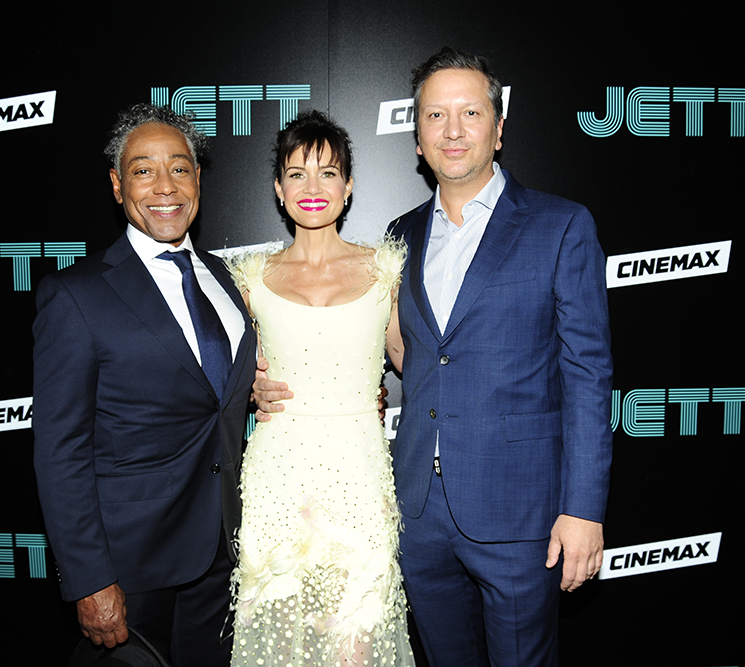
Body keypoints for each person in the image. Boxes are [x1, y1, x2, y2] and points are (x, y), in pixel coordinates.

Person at [255, 47, 613, 666]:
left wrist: (583, 511)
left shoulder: (561, 226)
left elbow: (588, 377)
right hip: (416, 513)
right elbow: (381, 352)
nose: (452, 130)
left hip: (520, 516)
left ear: (498, 129)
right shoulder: (399, 238)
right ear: (416, 137)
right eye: (435, 116)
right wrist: (267, 387)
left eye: (470, 113)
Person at [32, 103, 256, 667]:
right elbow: (60, 452)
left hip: (225, 555)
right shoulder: (75, 296)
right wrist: (89, 580)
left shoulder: (228, 280)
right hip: (131, 571)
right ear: (116, 184)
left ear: (198, 179)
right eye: (142, 170)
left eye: (179, 168)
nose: (165, 186)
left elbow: (217, 397)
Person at [225, 110, 415, 666]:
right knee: (278, 637)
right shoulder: (250, 277)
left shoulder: (386, 269)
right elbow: (228, 378)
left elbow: (415, 364)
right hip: (277, 475)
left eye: (328, 173)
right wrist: (252, 392)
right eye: (298, 173)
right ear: (278, 188)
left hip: (358, 472)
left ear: (349, 186)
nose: (313, 188)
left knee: (354, 633)